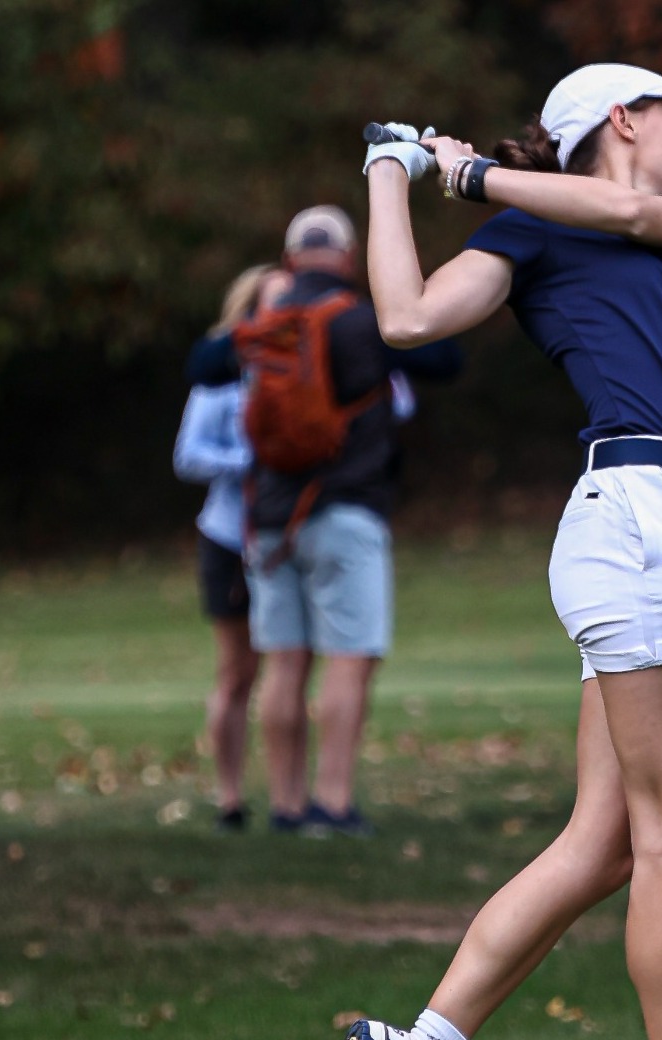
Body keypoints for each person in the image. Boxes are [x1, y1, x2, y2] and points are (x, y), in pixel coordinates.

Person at [342, 61, 662, 1040]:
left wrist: (472, 178)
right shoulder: (531, 231)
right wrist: (392, 174)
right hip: (640, 519)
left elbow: (622, 210)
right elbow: (410, 319)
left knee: (608, 843)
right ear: (621, 119)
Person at [187, 206, 461, 836]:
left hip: (271, 521)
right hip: (348, 512)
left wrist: (255, 324)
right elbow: (446, 362)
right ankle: (332, 804)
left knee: (284, 664)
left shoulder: (267, 327)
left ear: (287, 260)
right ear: (348, 257)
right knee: (349, 658)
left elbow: (200, 367)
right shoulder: (365, 324)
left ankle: (286, 805)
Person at [174, 263, 290, 831]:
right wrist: (252, 460)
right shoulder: (220, 375)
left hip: (289, 534)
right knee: (238, 671)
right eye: (270, 304)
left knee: (288, 669)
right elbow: (188, 455)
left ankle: (294, 799)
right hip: (228, 535)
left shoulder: (309, 367)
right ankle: (230, 798)